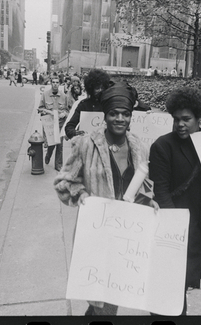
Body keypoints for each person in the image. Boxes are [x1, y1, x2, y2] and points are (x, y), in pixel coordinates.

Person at [54, 80, 156, 316]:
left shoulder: (139, 148)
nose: (119, 119)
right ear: (105, 116)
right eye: (114, 114)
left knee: (109, 297)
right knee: (102, 302)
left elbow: (146, 184)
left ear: (131, 117)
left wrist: (148, 201)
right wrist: (83, 196)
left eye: (125, 114)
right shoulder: (86, 145)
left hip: (125, 235)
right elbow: (63, 182)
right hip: (96, 233)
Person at [148, 87, 201, 316]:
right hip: (171, 228)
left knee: (180, 285)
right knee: (165, 289)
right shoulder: (162, 146)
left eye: (186, 119)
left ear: (199, 118)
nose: (180, 125)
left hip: (196, 228)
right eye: (176, 119)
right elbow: (161, 192)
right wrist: (175, 230)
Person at [64, 69, 111, 140]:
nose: (100, 90)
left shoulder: (109, 104)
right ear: (91, 88)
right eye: (97, 88)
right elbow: (69, 127)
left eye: (103, 88)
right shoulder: (84, 105)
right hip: (86, 145)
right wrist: (75, 133)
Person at [38, 77, 72, 171]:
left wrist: (64, 113)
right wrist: (49, 112)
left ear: (59, 84)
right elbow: (40, 108)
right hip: (50, 123)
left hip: (60, 123)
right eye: (53, 82)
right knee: (51, 143)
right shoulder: (45, 95)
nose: (55, 84)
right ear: (51, 83)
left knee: (60, 144)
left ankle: (58, 165)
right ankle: (48, 155)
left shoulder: (64, 96)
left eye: (57, 82)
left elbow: (67, 109)